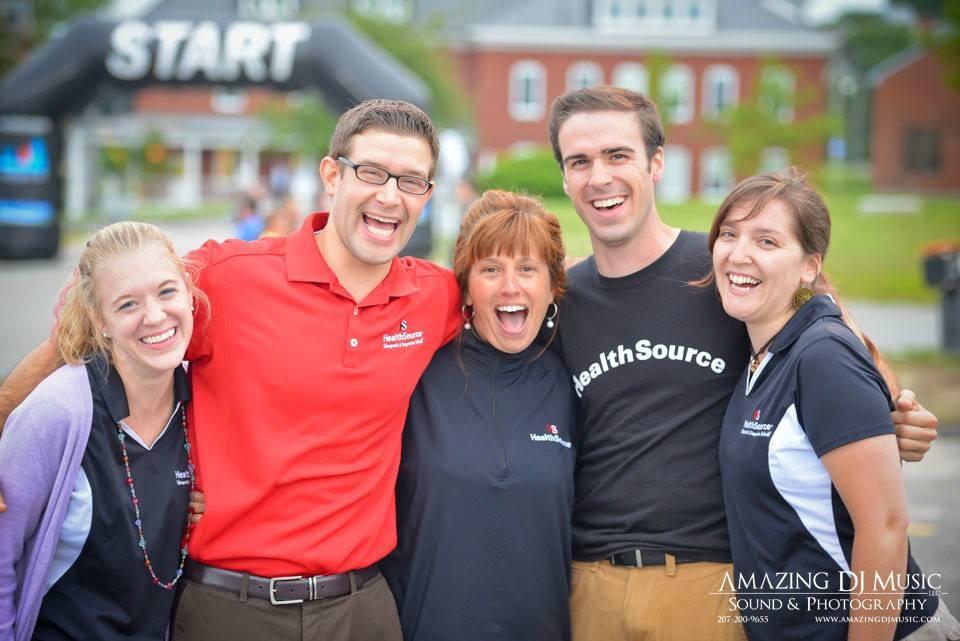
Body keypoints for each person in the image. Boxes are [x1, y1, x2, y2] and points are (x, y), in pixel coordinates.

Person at [0, 100, 462, 641]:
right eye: (372, 173)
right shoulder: (227, 279)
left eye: (412, 182)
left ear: (427, 197)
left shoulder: (435, 296)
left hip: (363, 608)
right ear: (332, 175)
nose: (390, 196)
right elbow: (83, 322)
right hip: (230, 608)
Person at [546, 86, 940, 641]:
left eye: (618, 155)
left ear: (656, 162)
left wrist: (896, 416)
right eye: (579, 161)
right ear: (564, 177)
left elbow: (847, 354)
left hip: (711, 582)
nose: (599, 177)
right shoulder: (560, 298)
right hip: (589, 584)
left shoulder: (726, 271)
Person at [711, 167, 960, 641]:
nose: (739, 254)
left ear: (810, 265)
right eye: (729, 234)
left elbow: (885, 525)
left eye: (767, 241)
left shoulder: (821, 356)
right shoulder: (765, 355)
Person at [381, 190, 577, 641]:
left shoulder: (570, 383)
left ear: (553, 286)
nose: (511, 287)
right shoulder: (417, 374)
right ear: (466, 286)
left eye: (528, 269)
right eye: (491, 269)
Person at [0, 222, 204, 641]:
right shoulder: (56, 413)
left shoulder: (201, 403)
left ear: (188, 293)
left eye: (167, 292)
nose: (154, 316)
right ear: (100, 320)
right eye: (128, 304)